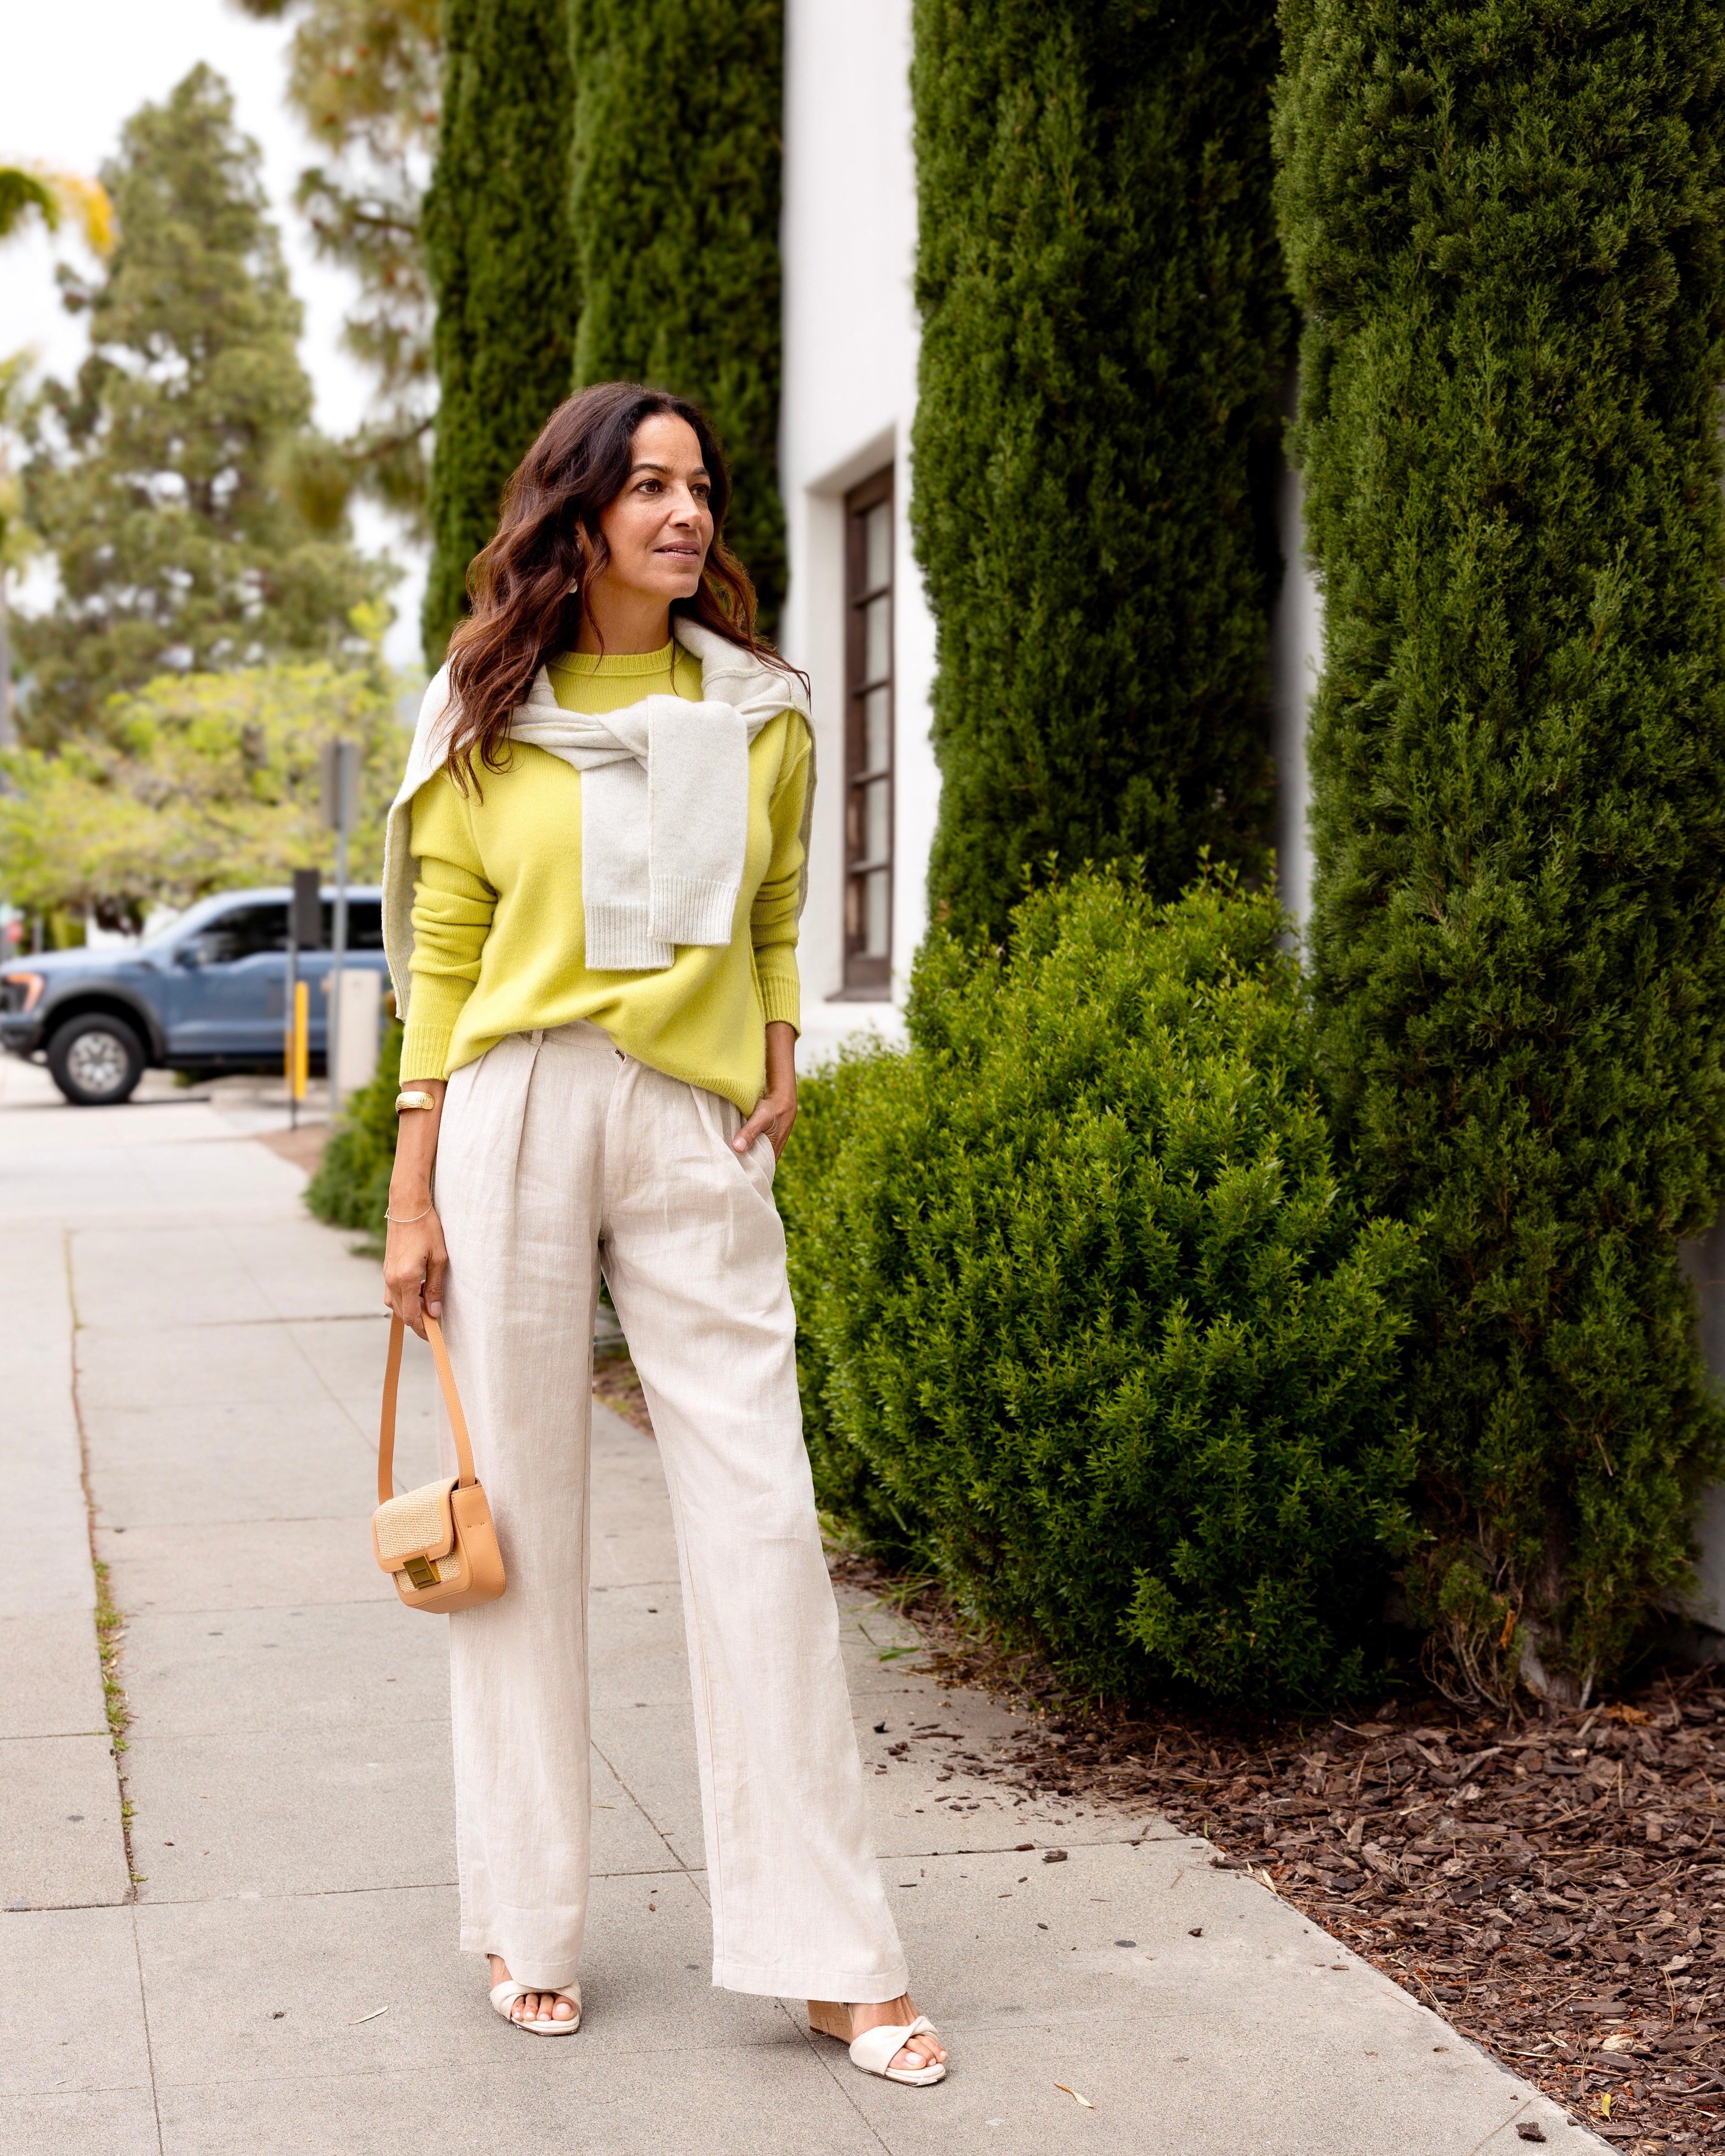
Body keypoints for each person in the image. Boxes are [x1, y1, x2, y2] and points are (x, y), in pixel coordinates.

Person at [377, 381, 947, 2085]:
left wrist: (777, 1047)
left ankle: (832, 1956)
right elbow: (450, 942)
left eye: (698, 487)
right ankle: (528, 1917)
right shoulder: (487, 710)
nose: (687, 514)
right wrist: (412, 1181)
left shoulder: (759, 706)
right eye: (648, 488)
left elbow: (778, 907)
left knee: (762, 1518)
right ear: (579, 516)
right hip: (517, 1104)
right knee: (524, 1532)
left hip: (691, 1117)